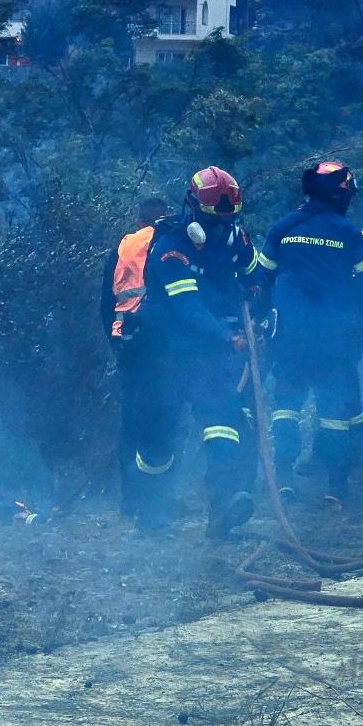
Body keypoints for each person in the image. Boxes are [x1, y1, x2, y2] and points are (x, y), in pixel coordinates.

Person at [130, 165, 260, 537]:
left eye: (228, 220)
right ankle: (150, 516)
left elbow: (255, 274)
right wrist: (227, 337)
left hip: (210, 353)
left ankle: (221, 512)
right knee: (162, 435)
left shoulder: (235, 237)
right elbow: (188, 310)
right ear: (193, 210)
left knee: (223, 421)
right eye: (213, 221)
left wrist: (253, 290)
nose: (220, 228)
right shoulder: (172, 249)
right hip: (166, 352)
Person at [257, 160, 363, 506]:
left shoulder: (283, 227)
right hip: (335, 338)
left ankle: (283, 480)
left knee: (286, 404)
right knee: (333, 411)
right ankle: (336, 488)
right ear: (340, 195)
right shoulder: (349, 232)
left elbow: (261, 279)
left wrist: (259, 319)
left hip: (289, 336)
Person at [100, 197, 171, 515]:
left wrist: (114, 343)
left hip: (128, 344)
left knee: (131, 422)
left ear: (139, 219)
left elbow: (106, 302)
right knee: (164, 422)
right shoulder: (171, 244)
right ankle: (158, 499)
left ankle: (130, 501)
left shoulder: (124, 246)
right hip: (162, 344)